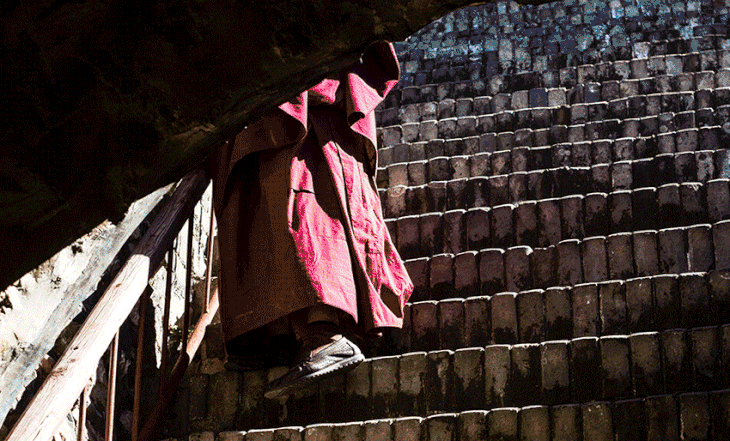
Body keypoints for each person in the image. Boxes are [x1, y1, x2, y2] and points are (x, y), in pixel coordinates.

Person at [207, 41, 413, 399]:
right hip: (257, 92)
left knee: (305, 202)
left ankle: (325, 333)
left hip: (307, 96)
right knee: (263, 201)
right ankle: (278, 333)